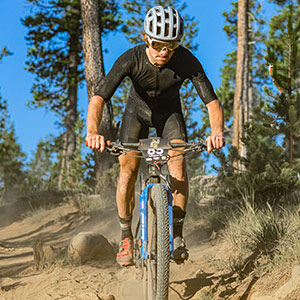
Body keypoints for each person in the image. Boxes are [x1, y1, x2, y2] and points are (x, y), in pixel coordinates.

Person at [85, 6, 225, 266]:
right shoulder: (131, 58)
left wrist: (216, 132)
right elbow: (98, 98)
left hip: (169, 116)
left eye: (171, 46)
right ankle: (126, 236)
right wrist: (92, 132)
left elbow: (212, 104)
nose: (164, 52)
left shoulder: (186, 61)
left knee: (178, 166)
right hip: (135, 116)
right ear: (146, 37)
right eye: (159, 44)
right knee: (127, 170)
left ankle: (177, 236)